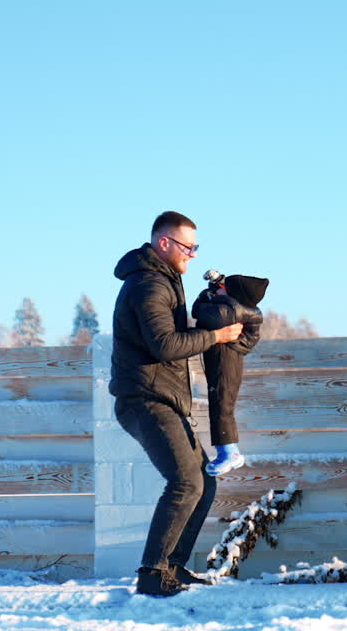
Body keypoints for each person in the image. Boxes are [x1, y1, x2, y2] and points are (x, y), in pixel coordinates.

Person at [109, 211, 245, 597]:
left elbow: (171, 335)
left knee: (203, 480)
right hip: (144, 399)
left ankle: (173, 566)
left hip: (160, 398)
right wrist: (215, 336)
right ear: (163, 243)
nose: (194, 255)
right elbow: (165, 345)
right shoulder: (149, 286)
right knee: (185, 481)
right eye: (189, 247)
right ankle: (152, 573)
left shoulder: (164, 281)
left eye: (197, 247)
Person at [191, 271, 269, 476]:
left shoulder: (232, 310)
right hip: (224, 358)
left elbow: (201, 313)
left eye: (225, 287)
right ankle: (226, 451)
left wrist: (209, 296)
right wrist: (214, 293)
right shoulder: (235, 307)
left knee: (222, 403)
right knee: (220, 403)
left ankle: (229, 452)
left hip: (226, 360)